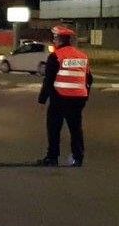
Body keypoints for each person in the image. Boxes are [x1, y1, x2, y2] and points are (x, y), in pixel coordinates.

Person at [36, 25, 92, 167]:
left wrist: (42, 100)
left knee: (54, 128)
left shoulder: (56, 56)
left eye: (55, 38)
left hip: (60, 98)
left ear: (60, 39)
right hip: (78, 99)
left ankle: (52, 158)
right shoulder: (82, 56)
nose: (54, 40)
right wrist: (85, 95)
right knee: (76, 129)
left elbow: (49, 80)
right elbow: (89, 78)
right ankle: (78, 158)